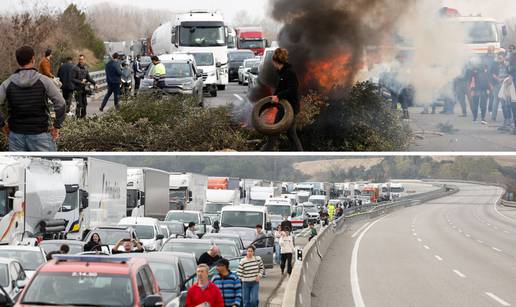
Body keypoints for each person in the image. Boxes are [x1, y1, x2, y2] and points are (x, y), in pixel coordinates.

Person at [0, 46, 66, 152]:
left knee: (17, 168)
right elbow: (61, 103)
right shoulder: (44, 81)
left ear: (18, 61)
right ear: (33, 59)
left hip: (16, 136)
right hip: (41, 135)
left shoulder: (7, 83)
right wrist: (57, 126)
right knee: (46, 167)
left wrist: (2, 125)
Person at [261, 48, 303, 151]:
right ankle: (267, 152)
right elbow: (279, 91)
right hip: (283, 108)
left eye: (273, 61)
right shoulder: (282, 73)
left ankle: (301, 155)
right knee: (277, 131)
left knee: (288, 133)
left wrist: (278, 96)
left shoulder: (289, 73)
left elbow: (293, 89)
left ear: (275, 61)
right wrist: (266, 105)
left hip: (291, 109)